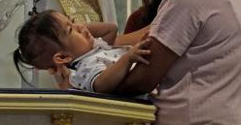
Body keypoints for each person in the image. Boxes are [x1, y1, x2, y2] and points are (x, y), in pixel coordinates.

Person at [14, 10, 149, 93]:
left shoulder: (94, 49)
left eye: (73, 21)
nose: (79, 26)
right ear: (62, 57)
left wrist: (77, 29)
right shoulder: (83, 68)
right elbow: (101, 84)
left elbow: (111, 29)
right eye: (71, 30)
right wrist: (127, 58)